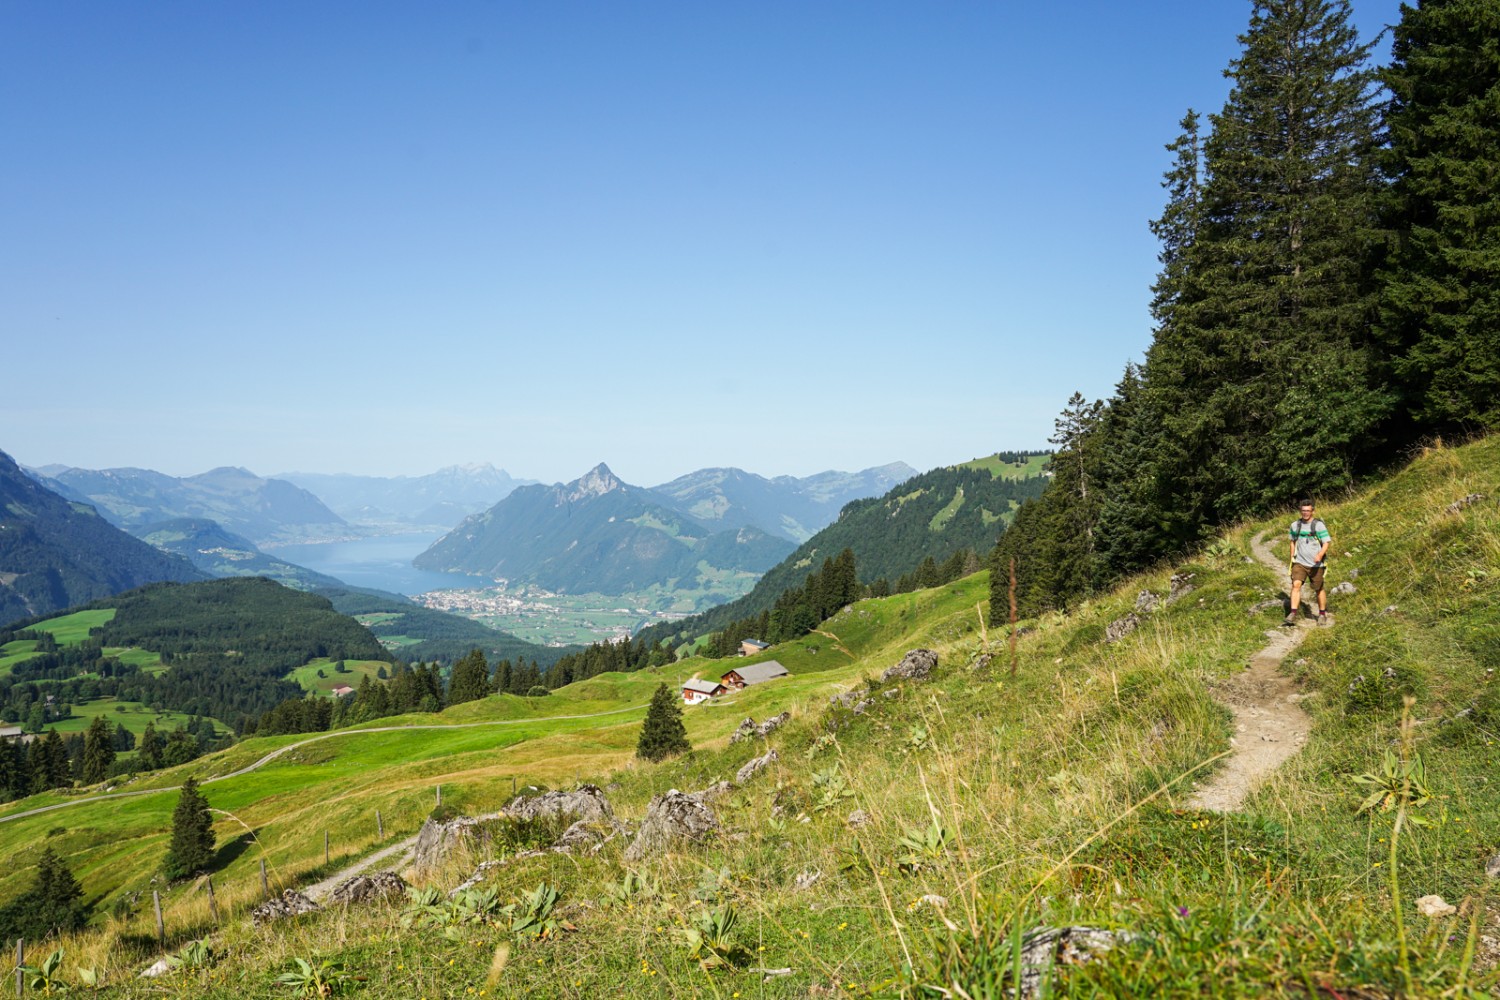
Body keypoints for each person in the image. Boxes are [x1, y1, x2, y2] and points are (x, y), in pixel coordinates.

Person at [1286, 500, 1331, 626]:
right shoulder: (1295, 525)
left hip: (1316, 565)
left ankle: (1322, 614)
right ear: (1300, 511)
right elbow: (1292, 541)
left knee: (1318, 589)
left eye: (1308, 510)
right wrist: (1292, 557)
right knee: (1296, 585)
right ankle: (1293, 613)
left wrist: (1320, 555)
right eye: (1303, 510)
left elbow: (1326, 542)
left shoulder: (1319, 525)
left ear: (1313, 511)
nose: (1305, 513)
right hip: (1299, 562)